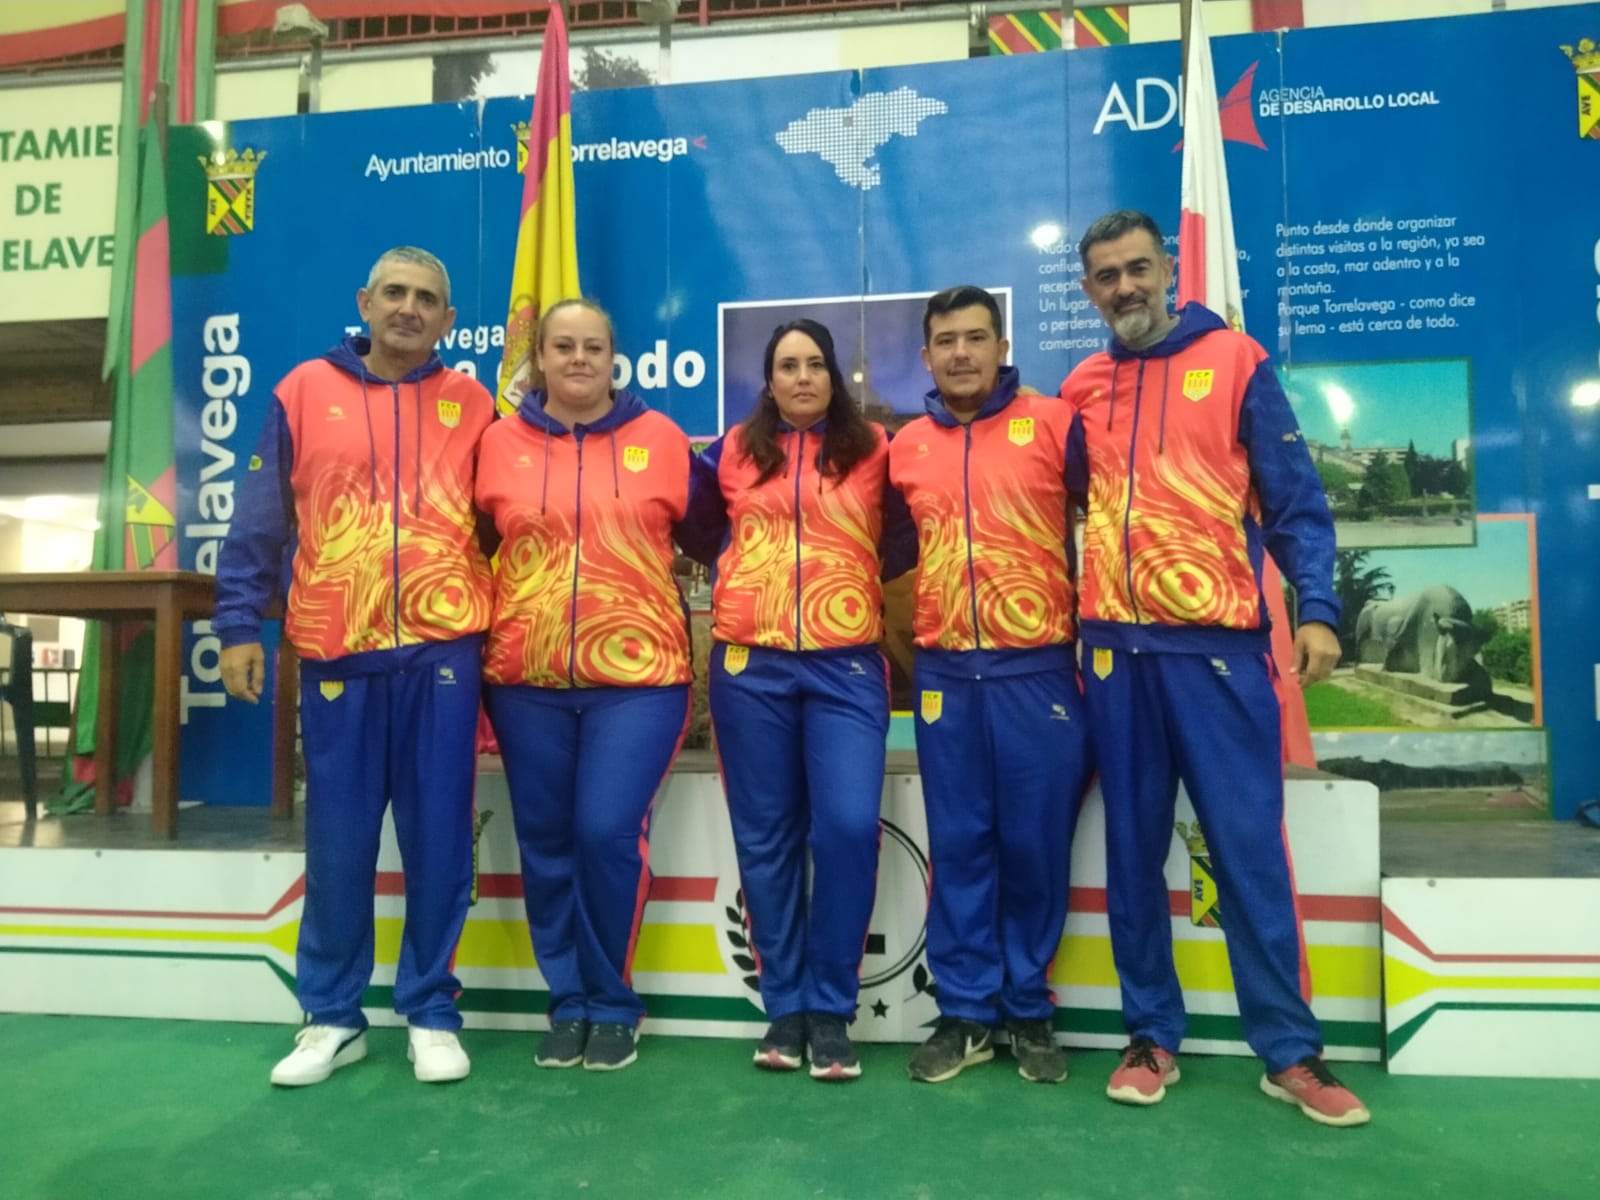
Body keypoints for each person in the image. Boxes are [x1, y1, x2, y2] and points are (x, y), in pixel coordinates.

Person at [1058, 209, 1369, 1127]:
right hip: (1115, 653)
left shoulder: (1236, 360)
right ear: (1089, 291)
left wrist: (1316, 609)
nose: (1125, 288)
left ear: (1167, 270)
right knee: (1131, 854)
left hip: (1223, 653)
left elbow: (1296, 501)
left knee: (1245, 852)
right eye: (1107, 276)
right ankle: (1151, 1034)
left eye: (1137, 269)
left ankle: (1291, 1052)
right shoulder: (1083, 384)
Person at [215, 246, 494, 1087]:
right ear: (365, 302)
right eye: (396, 294)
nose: (410, 309)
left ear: (449, 320)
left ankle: (431, 1011)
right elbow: (261, 520)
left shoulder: (474, 403)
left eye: (428, 300)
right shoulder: (302, 390)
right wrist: (237, 623)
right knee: (338, 843)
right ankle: (332, 1016)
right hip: (338, 652)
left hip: (444, 654)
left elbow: (510, 520)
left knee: (439, 841)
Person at [678, 318, 904, 1081]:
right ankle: (786, 1006)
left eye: (815, 364)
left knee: (844, 828)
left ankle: (831, 1007)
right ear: (767, 380)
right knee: (767, 836)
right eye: (786, 366)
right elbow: (707, 533)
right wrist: (762, 583)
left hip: (846, 667)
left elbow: (899, 540)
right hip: (752, 668)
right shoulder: (733, 454)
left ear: (833, 375)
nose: (802, 377)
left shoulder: (874, 450)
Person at [476, 297, 693, 1073]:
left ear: (613, 356)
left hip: (641, 681)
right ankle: (567, 1002)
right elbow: (472, 547)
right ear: (539, 358)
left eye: (593, 347)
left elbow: (721, 534)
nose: (578, 360)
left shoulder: (662, 440)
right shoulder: (496, 444)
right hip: (526, 680)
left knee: (603, 832)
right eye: (562, 346)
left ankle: (613, 1000)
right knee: (545, 843)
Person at [887, 285, 1093, 1085]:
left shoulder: (1056, 425)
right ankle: (967, 1011)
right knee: (963, 844)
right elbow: (891, 549)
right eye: (947, 340)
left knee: (1034, 847)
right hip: (944, 674)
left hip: (1036, 668)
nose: (962, 352)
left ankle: (1029, 1010)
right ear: (928, 355)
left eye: (977, 337)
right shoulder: (906, 447)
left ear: (1003, 346)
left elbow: (1111, 518)